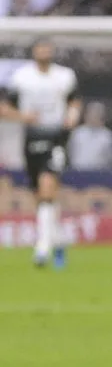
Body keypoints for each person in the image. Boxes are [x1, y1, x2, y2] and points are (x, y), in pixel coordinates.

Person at [1, 38, 81, 269]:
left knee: (48, 186)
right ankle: (57, 241)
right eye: (40, 48)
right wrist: (23, 117)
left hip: (56, 138)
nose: (44, 52)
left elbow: (75, 102)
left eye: (47, 48)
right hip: (31, 138)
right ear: (34, 52)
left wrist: (72, 117)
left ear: (52, 52)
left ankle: (42, 248)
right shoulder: (22, 78)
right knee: (40, 197)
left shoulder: (65, 76)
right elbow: (4, 108)